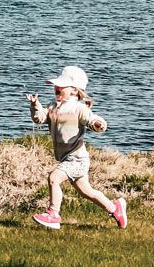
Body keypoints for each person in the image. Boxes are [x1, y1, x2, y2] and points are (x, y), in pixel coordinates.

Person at [25, 65, 127, 230]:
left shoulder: (79, 108)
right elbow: (39, 119)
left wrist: (98, 124)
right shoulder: (52, 107)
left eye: (62, 86)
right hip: (66, 158)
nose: (56, 87)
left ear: (74, 91)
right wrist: (35, 105)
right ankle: (115, 208)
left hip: (77, 158)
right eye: (56, 85)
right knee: (86, 192)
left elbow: (91, 120)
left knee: (54, 178)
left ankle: (53, 214)